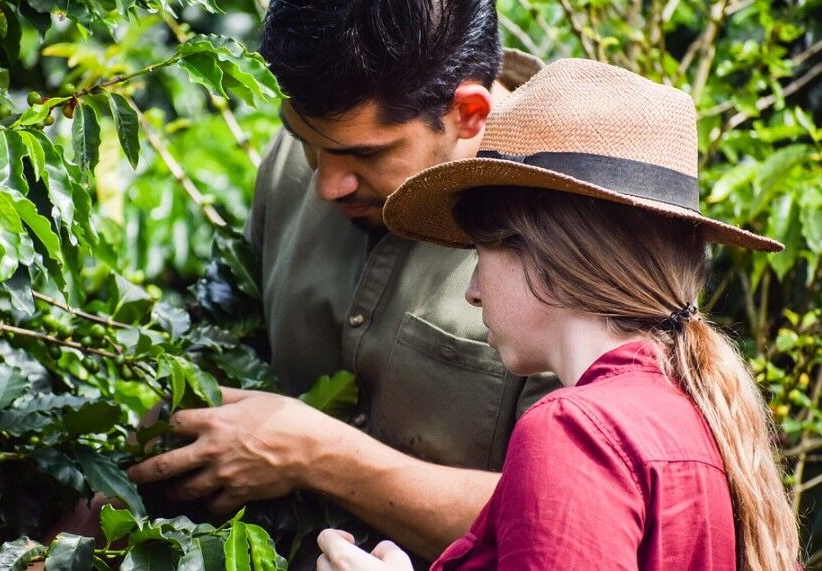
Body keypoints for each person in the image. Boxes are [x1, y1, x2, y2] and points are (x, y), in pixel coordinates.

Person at [315, 58, 800, 570]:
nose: (473, 293)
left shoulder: (575, 430)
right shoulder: (689, 411)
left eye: (481, 255)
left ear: (547, 254)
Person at [128, 0, 559, 567]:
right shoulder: (297, 160)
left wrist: (318, 454)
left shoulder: (570, 235)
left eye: (364, 154)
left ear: (469, 114)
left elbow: (558, 516)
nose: (328, 184)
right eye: (307, 140)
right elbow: (221, 349)